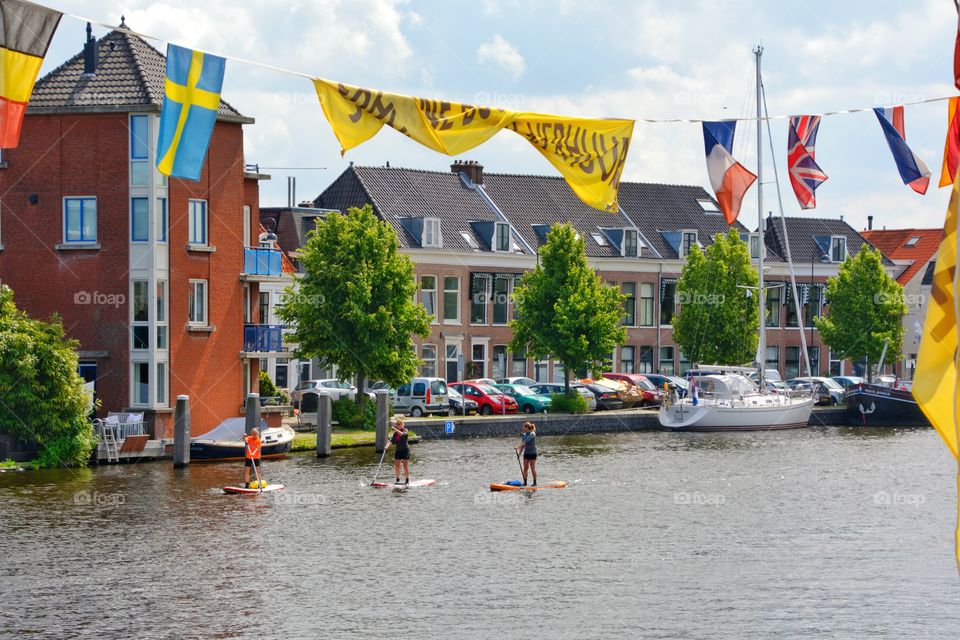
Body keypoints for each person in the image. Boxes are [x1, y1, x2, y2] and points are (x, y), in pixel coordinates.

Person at [384, 416, 410, 485]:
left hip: (405, 450)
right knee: (397, 465)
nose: (398, 425)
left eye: (399, 424)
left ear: (402, 424)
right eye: (397, 424)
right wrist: (387, 446)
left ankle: (407, 481)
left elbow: (402, 435)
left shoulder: (405, 430)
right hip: (398, 450)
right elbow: (391, 441)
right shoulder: (395, 434)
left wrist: (395, 429)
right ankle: (397, 480)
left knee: (405, 465)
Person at [514, 421, 537, 486]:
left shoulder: (532, 434)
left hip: (532, 453)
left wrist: (517, 447)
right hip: (526, 453)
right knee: (525, 468)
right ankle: (525, 482)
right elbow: (523, 446)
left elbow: (525, 442)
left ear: (527, 427)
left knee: (532, 468)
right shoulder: (524, 435)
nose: (522, 428)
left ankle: (534, 482)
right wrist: (519, 454)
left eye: (523, 427)